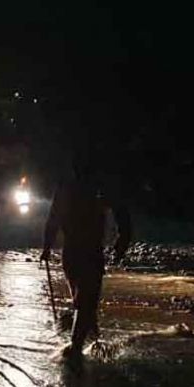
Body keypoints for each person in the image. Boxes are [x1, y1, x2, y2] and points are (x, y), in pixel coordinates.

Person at [40, 153, 132, 358]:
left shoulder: (68, 188)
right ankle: (78, 346)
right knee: (85, 300)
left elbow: (53, 219)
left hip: (73, 252)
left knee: (83, 300)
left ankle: (87, 341)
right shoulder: (97, 189)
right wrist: (122, 242)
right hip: (87, 251)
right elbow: (122, 214)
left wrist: (47, 246)